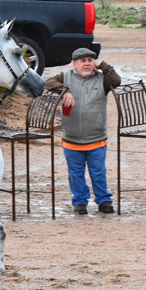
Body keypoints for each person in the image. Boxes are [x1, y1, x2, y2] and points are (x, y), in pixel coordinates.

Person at [45, 48, 121, 215]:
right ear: (74, 64)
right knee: (76, 173)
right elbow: (48, 83)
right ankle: (80, 202)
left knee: (98, 171)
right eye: (83, 60)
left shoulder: (102, 79)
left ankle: (104, 200)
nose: (87, 63)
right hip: (71, 138)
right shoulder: (65, 77)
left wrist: (103, 65)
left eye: (90, 60)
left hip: (96, 137)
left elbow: (116, 80)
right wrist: (65, 91)